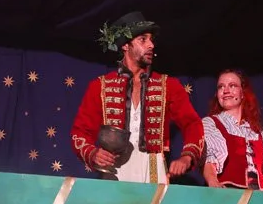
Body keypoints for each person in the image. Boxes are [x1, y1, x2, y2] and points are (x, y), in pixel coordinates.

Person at [71, 11, 204, 184]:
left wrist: (188, 156)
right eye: (143, 39)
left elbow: (192, 123)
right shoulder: (100, 86)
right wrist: (92, 153)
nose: (151, 45)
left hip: (153, 169)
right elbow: (80, 131)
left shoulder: (168, 85)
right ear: (125, 46)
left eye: (151, 40)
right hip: (114, 170)